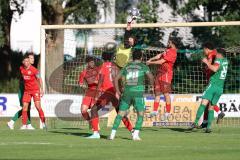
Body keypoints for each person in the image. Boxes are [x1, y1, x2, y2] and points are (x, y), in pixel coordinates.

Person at [87, 51, 134, 139]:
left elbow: (100, 81)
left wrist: (96, 94)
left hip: (107, 93)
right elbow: (120, 80)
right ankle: (132, 131)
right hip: (115, 92)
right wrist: (120, 92)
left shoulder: (103, 66)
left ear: (103, 58)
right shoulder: (116, 67)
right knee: (120, 113)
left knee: (93, 110)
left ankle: (96, 133)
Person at [109, 49, 154, 140]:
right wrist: (151, 87)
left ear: (132, 57)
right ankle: (135, 135)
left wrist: (118, 91)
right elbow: (151, 77)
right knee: (140, 114)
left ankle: (112, 134)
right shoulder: (143, 66)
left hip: (126, 93)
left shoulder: (127, 66)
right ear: (141, 57)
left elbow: (116, 79)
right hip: (137, 93)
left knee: (120, 114)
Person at [189, 48, 228, 133]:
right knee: (211, 107)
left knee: (203, 103)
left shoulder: (218, 60)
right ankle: (209, 127)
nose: (215, 54)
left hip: (213, 85)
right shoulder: (226, 61)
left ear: (219, 54)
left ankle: (195, 123)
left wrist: (206, 62)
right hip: (220, 88)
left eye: (217, 53)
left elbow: (214, 69)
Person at [146, 39, 177, 120]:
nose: (168, 43)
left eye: (169, 42)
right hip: (159, 74)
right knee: (157, 93)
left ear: (173, 43)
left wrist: (150, 63)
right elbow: (159, 56)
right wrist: (151, 59)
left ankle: (167, 112)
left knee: (166, 94)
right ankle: (155, 111)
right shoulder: (167, 50)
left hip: (166, 74)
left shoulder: (173, 52)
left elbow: (161, 61)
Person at [200, 42, 225, 128]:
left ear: (206, 48)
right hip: (216, 81)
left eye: (204, 49)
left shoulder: (211, 55)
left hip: (212, 80)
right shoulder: (215, 53)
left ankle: (218, 113)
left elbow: (212, 66)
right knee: (208, 102)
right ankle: (205, 122)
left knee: (206, 100)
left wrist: (206, 65)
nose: (203, 51)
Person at [7, 52, 35, 130]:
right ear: (27, 60)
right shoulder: (23, 69)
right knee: (25, 108)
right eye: (31, 58)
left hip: (29, 91)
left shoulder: (32, 69)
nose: (33, 60)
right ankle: (13, 122)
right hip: (23, 91)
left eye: (33, 58)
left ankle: (28, 124)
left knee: (27, 107)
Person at [19, 54, 46, 130]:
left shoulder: (34, 70)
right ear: (23, 62)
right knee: (24, 107)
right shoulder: (21, 69)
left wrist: (42, 89)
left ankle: (43, 122)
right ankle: (24, 125)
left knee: (38, 107)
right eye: (26, 61)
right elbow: (22, 78)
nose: (27, 62)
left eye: (28, 61)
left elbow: (39, 79)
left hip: (35, 90)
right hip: (27, 91)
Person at [79, 57, 100, 126]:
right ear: (87, 63)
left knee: (93, 110)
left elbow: (102, 82)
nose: (92, 63)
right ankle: (90, 122)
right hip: (88, 92)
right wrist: (82, 86)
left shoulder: (98, 71)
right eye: (90, 62)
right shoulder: (83, 73)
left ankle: (96, 128)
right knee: (83, 110)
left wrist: (95, 81)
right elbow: (80, 83)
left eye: (93, 62)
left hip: (97, 92)